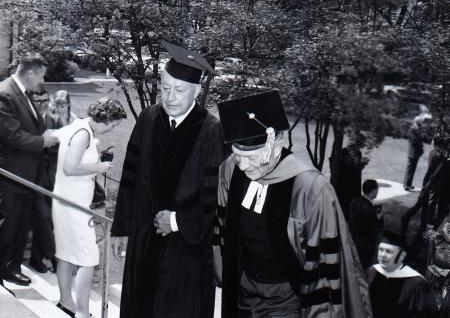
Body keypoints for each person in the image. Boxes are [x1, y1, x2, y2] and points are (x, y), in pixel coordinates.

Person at [214, 90, 372, 318]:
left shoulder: (311, 188)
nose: (242, 166)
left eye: (251, 157)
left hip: (287, 301)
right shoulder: (231, 169)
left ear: (274, 145)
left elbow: (325, 267)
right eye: (237, 155)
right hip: (243, 292)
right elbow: (223, 232)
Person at [111, 40, 225, 318]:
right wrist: (122, 228)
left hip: (185, 250)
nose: (171, 97)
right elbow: (130, 178)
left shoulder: (212, 132)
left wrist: (177, 221)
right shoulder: (148, 118)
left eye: (180, 90)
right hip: (143, 240)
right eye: (165, 88)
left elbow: (218, 200)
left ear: (196, 91)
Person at [52, 96, 126, 318]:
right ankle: (83, 312)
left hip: (66, 201)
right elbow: (70, 167)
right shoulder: (84, 134)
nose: (113, 129)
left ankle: (66, 302)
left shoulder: (79, 128)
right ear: (105, 118)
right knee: (89, 258)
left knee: (66, 254)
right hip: (75, 205)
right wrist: (98, 166)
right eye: (113, 124)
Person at [0, 55, 59, 287]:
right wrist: (41, 142)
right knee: (10, 223)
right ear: (31, 72)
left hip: (27, 175)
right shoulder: (5, 93)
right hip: (11, 174)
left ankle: (12, 266)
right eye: (42, 75)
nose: (42, 80)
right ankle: (5, 268)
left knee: (21, 223)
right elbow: (10, 135)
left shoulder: (21, 93)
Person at [29, 83, 62, 274]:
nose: (42, 104)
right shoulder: (24, 120)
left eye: (45, 100)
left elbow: (62, 148)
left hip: (50, 179)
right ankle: (54, 257)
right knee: (42, 218)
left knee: (47, 220)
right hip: (29, 179)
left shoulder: (55, 120)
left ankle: (35, 258)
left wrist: (54, 141)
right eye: (37, 101)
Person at [367, 230, 437, 318]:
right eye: (380, 250)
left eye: (388, 251)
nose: (382, 255)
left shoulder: (417, 283)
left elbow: (428, 314)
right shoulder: (372, 272)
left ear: (402, 255)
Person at [349, 179, 383, 268]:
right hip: (365, 245)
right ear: (373, 191)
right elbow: (374, 230)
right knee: (364, 266)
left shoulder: (354, 201)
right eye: (377, 190)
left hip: (352, 241)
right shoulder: (369, 210)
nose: (377, 192)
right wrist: (378, 218)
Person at [404, 115, 426, 191]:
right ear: (418, 122)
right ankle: (407, 185)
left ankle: (407, 184)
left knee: (411, 170)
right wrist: (421, 147)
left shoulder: (416, 130)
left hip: (415, 153)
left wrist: (421, 147)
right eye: (421, 122)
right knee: (410, 170)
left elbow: (419, 140)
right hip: (413, 153)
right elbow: (414, 141)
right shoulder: (412, 130)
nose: (422, 123)